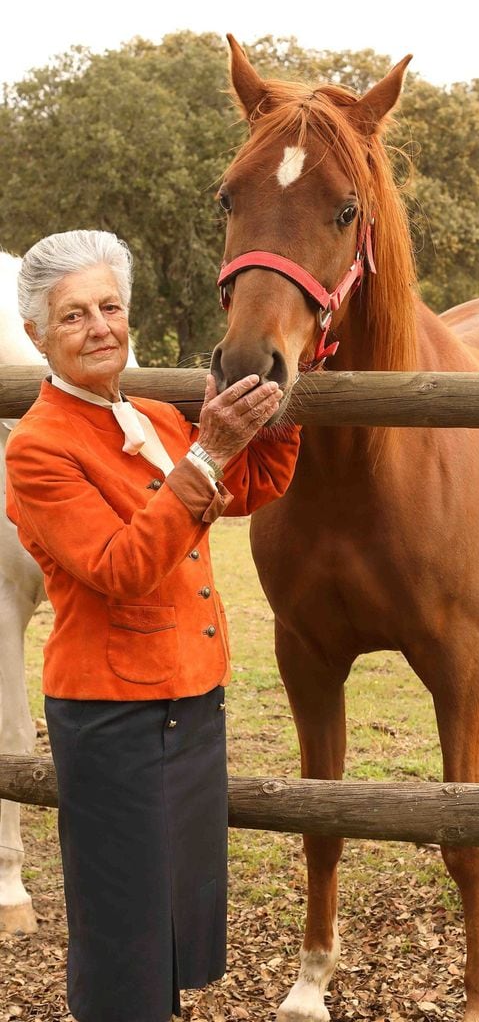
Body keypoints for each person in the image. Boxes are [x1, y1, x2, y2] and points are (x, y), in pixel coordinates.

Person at [4, 229, 301, 1022]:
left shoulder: (159, 421)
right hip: (113, 719)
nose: (100, 327)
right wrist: (209, 453)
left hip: (192, 702)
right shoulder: (37, 449)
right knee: (122, 938)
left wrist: (278, 394)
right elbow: (120, 566)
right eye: (74, 315)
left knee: (170, 921)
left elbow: (251, 483)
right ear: (36, 334)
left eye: (110, 307)